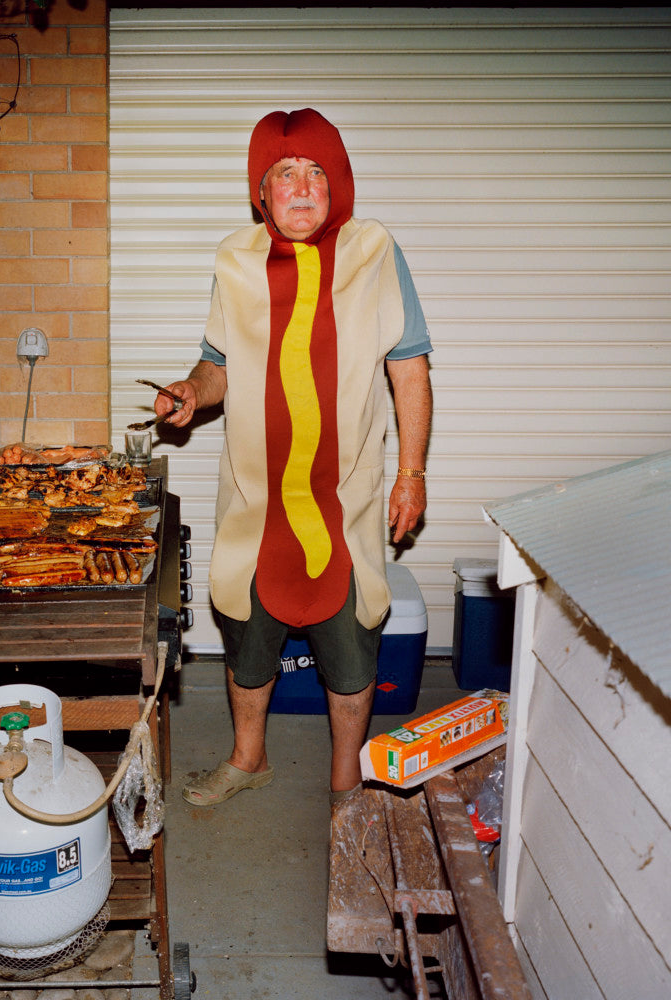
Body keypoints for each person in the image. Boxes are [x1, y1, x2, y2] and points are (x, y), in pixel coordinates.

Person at [152, 108, 433, 808]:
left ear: (337, 184)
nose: (302, 188)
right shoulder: (234, 260)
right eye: (285, 174)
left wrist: (412, 475)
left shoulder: (374, 252)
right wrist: (193, 389)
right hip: (257, 503)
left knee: (349, 649)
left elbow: (410, 372)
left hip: (344, 503)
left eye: (316, 173)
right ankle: (249, 759)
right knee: (248, 636)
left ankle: (346, 783)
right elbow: (217, 363)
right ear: (262, 191)